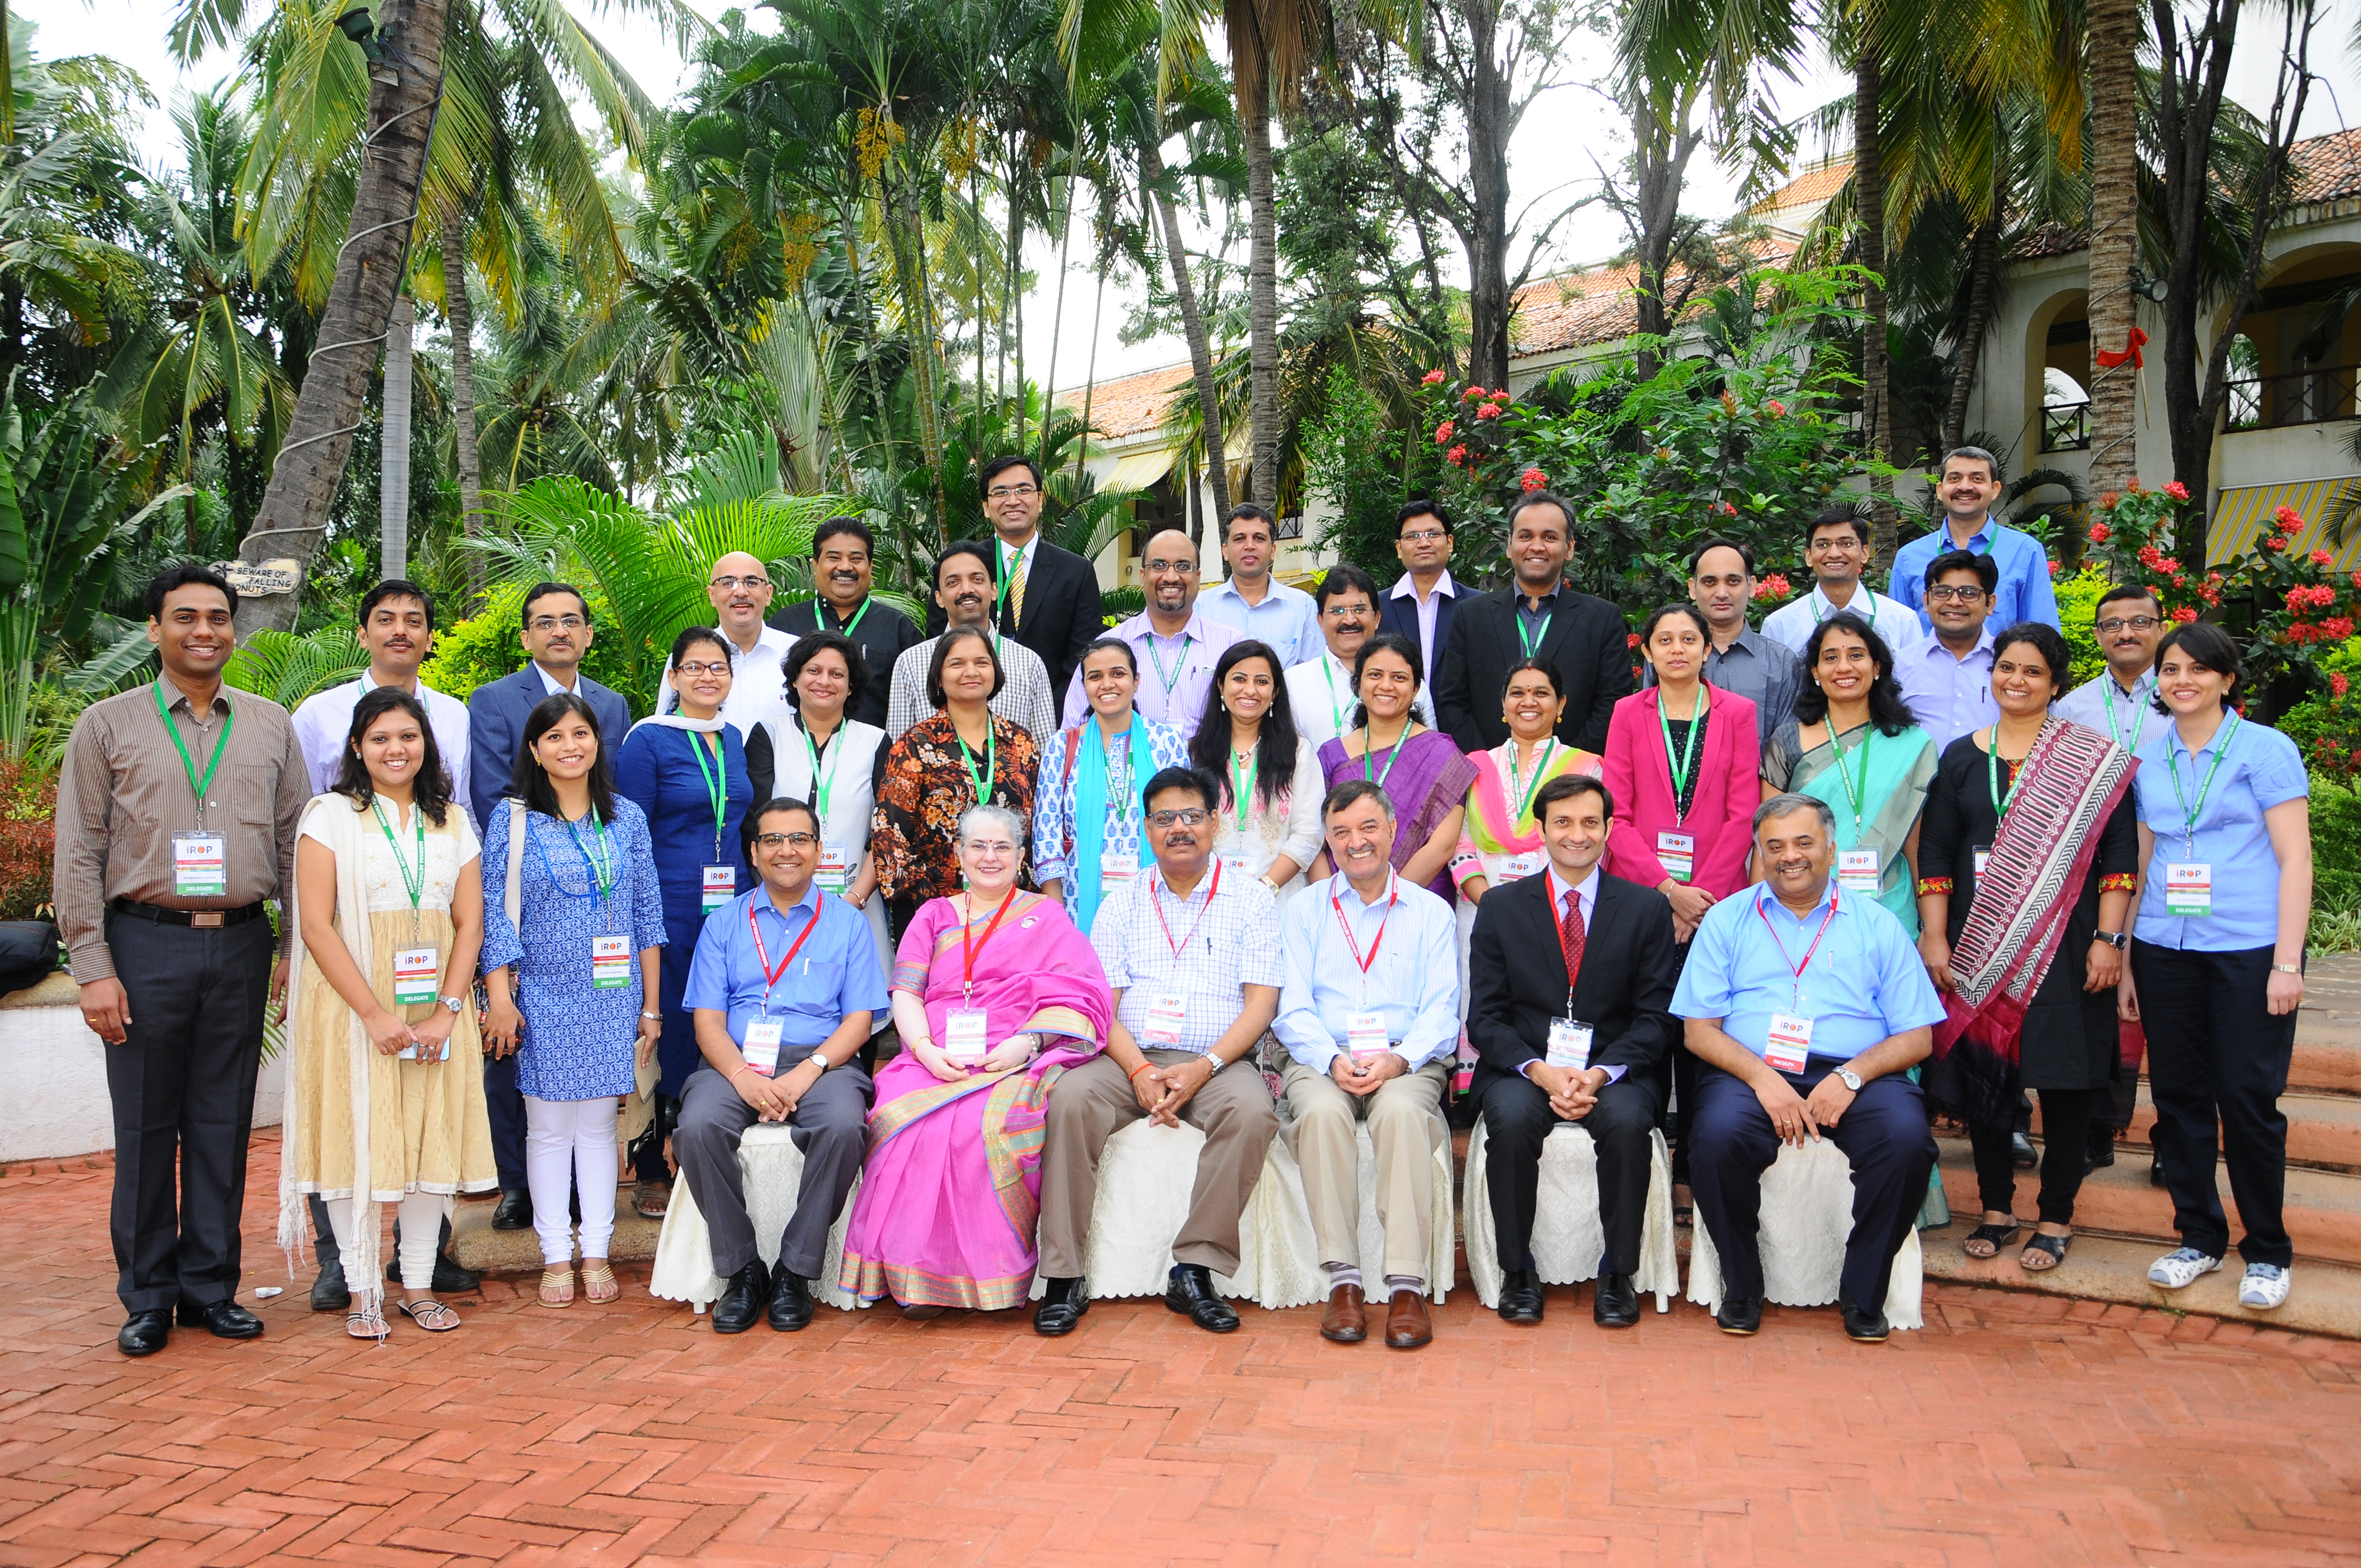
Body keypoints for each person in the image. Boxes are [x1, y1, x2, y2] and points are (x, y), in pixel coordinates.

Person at [56, 566, 308, 1357]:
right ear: (155, 629)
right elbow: (79, 851)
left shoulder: (270, 726)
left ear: (236, 630)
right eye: (186, 617)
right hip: (143, 943)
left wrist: (294, 949)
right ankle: (148, 1296)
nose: (205, 631)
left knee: (222, 1123)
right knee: (144, 1126)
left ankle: (210, 1287)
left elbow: (294, 843)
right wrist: (93, 965)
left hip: (240, 942)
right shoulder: (107, 725)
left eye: (219, 618)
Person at [1672, 794, 1946, 1341]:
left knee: (1905, 1140)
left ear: (1830, 849)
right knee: (1714, 1136)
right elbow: (1698, 1031)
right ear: (1759, 852)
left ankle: (1863, 1292)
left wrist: (1850, 1077)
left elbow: (1917, 1035)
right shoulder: (1726, 919)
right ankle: (1743, 1286)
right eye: (1774, 846)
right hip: (1750, 1070)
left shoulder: (1877, 924)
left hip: (1856, 1072)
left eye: (1803, 843)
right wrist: (1762, 1080)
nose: (1789, 857)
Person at [1916, 623, 2137, 1274]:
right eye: (2006, 667)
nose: (2016, 680)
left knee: (2065, 1083)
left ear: (2055, 682)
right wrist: (1934, 934)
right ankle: (1995, 1208)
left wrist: (2107, 938)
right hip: (1979, 940)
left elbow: (2118, 859)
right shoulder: (1960, 755)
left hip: (2068, 946)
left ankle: (2057, 1216)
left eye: (2032, 671)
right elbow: (1935, 855)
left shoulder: (2090, 759)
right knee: (1989, 1078)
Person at [1036, 767, 1284, 1336]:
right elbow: (1105, 1007)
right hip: (1129, 1058)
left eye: (1191, 816)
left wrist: (1204, 1068)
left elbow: (1260, 1006)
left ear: (1215, 823)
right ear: (1146, 829)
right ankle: (1063, 1275)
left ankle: (1194, 1267)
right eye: (1165, 818)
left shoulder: (1252, 900)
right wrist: (1140, 1068)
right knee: (1070, 1098)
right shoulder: (1120, 903)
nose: (1179, 828)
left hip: (1217, 1062)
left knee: (1252, 1114)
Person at [280, 688, 496, 1339]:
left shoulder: (452, 821)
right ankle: (361, 1289)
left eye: (407, 736)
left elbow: (470, 923)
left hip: (436, 1008)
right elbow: (317, 927)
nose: (395, 750)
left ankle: (420, 1283)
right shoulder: (328, 816)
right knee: (355, 1140)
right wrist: (373, 1013)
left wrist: (448, 1010)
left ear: (425, 744)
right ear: (356, 747)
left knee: (430, 1136)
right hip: (352, 1008)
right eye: (379, 739)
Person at [838, 803, 1112, 1313]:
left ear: (1022, 856)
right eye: (979, 846)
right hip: (933, 1052)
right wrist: (922, 1049)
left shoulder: (1045, 916)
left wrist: (1027, 1044)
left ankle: (989, 1274)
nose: (991, 857)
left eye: (1003, 847)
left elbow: (1078, 993)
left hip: (1014, 1054)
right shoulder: (934, 915)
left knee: (980, 1126)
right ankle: (914, 1273)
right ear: (959, 854)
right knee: (907, 1126)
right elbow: (906, 993)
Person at [2126, 623, 2313, 1311]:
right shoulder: (2149, 759)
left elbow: (2295, 858)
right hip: (2164, 949)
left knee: (2247, 1100)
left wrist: (2286, 963)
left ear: (2226, 679)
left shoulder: (2264, 750)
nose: (2183, 680)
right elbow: (2144, 861)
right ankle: (2198, 1237)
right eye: (2170, 669)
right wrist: (2122, 962)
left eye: (2199, 669)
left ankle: (2266, 1250)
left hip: (2247, 949)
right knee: (2177, 1100)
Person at [1467, 774, 1678, 1327]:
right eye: (1562, 822)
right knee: (1509, 1121)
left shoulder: (1644, 909)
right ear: (1541, 830)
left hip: (1615, 1068)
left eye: (1590, 822)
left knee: (1629, 1124)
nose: (1576, 834)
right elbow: (1485, 1018)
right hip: (1526, 1065)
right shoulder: (1501, 907)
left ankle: (1617, 1274)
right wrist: (1539, 1071)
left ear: (1608, 829)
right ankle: (1516, 1271)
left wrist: (1601, 1074)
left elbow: (1656, 1018)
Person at [479, 693, 666, 1310]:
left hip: (614, 997)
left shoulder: (628, 819)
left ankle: (596, 1252)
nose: (570, 746)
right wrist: (502, 999)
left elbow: (647, 917)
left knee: (597, 1129)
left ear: (596, 743)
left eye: (580, 733)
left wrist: (651, 1007)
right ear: (535, 749)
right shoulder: (513, 820)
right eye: (555, 736)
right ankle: (556, 1255)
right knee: (548, 1129)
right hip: (543, 995)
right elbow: (495, 920)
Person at [676, 798, 887, 1333]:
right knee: (697, 1127)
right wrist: (744, 1078)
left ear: (819, 851)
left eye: (798, 838)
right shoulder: (724, 923)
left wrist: (809, 1069)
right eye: (772, 839)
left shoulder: (847, 923)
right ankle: (742, 1269)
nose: (785, 850)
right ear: (754, 852)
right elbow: (707, 1024)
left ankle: (795, 1269)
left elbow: (860, 1021)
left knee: (842, 1127)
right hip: (735, 1063)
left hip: (824, 1063)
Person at [1273, 780, 1462, 1349]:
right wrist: (1330, 1058)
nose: (1356, 842)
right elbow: (1291, 1006)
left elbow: (1443, 1009)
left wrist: (1398, 1059)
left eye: (1368, 828)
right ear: (1328, 842)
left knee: (1402, 1115)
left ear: (1391, 831)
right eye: (1341, 832)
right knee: (1323, 1116)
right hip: (1320, 1054)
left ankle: (1407, 1284)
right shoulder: (1304, 908)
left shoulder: (1431, 911)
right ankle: (1344, 1281)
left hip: (1406, 1058)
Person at [1603, 603, 1761, 1218]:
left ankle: (1695, 1168)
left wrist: (1698, 901)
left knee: (1702, 1039)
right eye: (1664, 639)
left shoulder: (1737, 714)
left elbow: (1742, 812)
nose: (1676, 649)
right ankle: (1645, 1161)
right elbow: (1614, 815)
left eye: (1687, 639)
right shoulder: (1625, 713)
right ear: (1647, 651)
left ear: (1705, 649)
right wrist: (1667, 890)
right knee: (1645, 1031)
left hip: (1713, 903)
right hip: (1643, 900)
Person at [615, 629, 757, 1220]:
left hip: (731, 903)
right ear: (672, 677)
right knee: (666, 1019)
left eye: (717, 667)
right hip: (668, 904)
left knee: (727, 1014)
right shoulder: (646, 740)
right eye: (693, 667)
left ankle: (712, 1140)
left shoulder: (733, 738)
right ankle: (652, 1160)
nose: (706, 676)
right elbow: (629, 830)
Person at [2053, 582, 2168, 1174]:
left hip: (2172, 867)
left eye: (2139, 622)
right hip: (2094, 870)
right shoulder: (2070, 708)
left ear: (2158, 626)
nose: (2126, 632)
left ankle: (2171, 1138)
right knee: (2097, 998)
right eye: (2113, 624)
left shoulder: (2183, 698)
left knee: (2166, 1004)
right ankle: (2099, 1126)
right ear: (2097, 635)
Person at [1760, 612, 1938, 934]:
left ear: (1877, 667)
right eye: (1831, 658)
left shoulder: (1912, 745)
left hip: (1892, 911)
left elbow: (1917, 845)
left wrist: (1933, 930)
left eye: (1856, 655)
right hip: (1803, 910)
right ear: (1816, 671)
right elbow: (1766, 840)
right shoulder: (1787, 742)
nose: (1844, 667)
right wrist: (1761, 921)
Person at [1434, 489, 1633, 755]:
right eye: (1526, 536)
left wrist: (1568, 766)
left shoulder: (1602, 619)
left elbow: (1612, 703)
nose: (1537, 546)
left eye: (1549, 537)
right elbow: (1452, 702)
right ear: (1509, 546)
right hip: (1487, 777)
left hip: (1573, 782)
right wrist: (1490, 765)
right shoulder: (1471, 616)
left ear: (1569, 548)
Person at [746, 631, 894, 987]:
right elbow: (752, 824)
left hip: (855, 901)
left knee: (858, 1007)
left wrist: (854, 899)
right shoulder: (769, 734)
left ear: (852, 686)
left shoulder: (875, 741)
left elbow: (886, 831)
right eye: (813, 670)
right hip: (780, 902)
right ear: (795, 679)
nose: (824, 681)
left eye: (837, 674)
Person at [872, 627, 1043, 930]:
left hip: (1013, 910)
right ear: (939, 676)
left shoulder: (1020, 742)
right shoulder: (914, 745)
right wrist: (937, 904)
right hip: (937, 915)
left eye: (981, 662)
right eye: (957, 663)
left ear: (995, 671)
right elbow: (890, 837)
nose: (971, 672)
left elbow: (1038, 828)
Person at [1032, 638, 1190, 938]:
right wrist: (1058, 919)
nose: (1107, 684)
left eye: (1118, 674)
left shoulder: (1166, 743)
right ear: (1085, 686)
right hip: (1078, 905)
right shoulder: (1062, 747)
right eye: (1096, 677)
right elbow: (1046, 837)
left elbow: (1182, 825)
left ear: (1136, 681)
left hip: (1161, 899)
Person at [291, 579, 472, 821]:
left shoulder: (454, 714)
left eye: (413, 622)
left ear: (429, 640)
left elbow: (464, 806)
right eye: (386, 620)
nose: (400, 631)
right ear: (363, 635)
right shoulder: (317, 714)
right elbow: (301, 809)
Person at [1315, 634, 1476, 900]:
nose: (1386, 686)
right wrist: (1330, 900)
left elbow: (1442, 845)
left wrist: (1388, 899)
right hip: (1340, 900)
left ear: (1415, 689)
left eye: (1399, 678)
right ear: (1358, 684)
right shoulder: (1331, 754)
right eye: (1375, 675)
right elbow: (1315, 840)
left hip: (1418, 900)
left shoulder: (1441, 752)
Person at [939, 454, 1103, 713]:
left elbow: (1084, 656)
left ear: (1040, 500)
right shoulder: (960, 568)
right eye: (1001, 493)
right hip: (970, 713)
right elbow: (940, 641)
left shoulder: (1076, 571)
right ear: (986, 506)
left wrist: (1048, 707)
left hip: (1053, 714)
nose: (1013, 500)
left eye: (1023, 490)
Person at [465, 581, 633, 830]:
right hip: (528, 854)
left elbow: (620, 790)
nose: (560, 632)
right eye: (545, 624)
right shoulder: (493, 701)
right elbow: (492, 796)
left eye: (570, 622)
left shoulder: (612, 704)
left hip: (603, 852)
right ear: (526, 639)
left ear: (588, 635)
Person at [1453, 657, 1604, 923]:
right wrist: (1490, 904)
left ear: (1561, 704)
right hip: (1481, 912)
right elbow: (1459, 845)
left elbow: (1594, 846)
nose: (1529, 701)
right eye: (1518, 693)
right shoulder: (1475, 766)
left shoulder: (1585, 768)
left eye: (1541, 693)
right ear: (1504, 703)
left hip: (1556, 912)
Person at [1065, 527, 1238, 736]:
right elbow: (1074, 731)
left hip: (1205, 768)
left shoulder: (1230, 645)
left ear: (1198, 576)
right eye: (1159, 565)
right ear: (1142, 575)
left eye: (1183, 566)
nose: (1171, 576)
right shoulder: (1106, 648)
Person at [1189, 640, 1322, 901]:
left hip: (1280, 900)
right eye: (1239, 679)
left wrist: (1264, 889)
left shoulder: (1298, 753)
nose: (1250, 690)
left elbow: (1309, 834)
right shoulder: (1195, 753)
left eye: (1262, 681)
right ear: (1221, 686)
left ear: (1275, 693)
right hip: (1209, 900)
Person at [886, 541, 1059, 742]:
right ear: (939, 598)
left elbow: (1045, 750)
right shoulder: (911, 662)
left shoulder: (1028, 663)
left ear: (994, 590)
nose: (966, 589)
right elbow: (898, 750)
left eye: (977, 579)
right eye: (953, 583)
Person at [767, 516, 923, 730]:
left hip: (876, 758)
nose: (845, 567)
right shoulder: (783, 625)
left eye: (856, 559)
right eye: (834, 557)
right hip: (795, 756)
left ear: (870, 565)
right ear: (815, 564)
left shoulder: (898, 629)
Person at [1889, 445, 2061, 633]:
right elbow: (1896, 636)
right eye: (1955, 478)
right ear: (1940, 490)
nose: (1965, 487)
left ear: (1995, 490)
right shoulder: (1909, 557)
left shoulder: (2025, 551)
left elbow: (2043, 634)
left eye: (1977, 479)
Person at [1658, 537, 1802, 748]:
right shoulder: (1667, 657)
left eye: (1733, 581)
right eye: (1710, 582)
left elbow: (1787, 746)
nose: (1722, 593)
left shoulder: (1781, 663)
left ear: (1752, 586)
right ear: (1693, 588)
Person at [1286, 564, 1433, 747]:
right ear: (1321, 621)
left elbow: (1430, 749)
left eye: (1359, 610)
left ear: (1377, 618)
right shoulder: (1293, 683)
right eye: (1337, 611)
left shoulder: (1406, 683)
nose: (1349, 620)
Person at [654, 552, 794, 740]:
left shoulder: (798, 654)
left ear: (768, 594)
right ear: (712, 595)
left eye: (751, 583)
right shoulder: (687, 660)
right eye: (728, 583)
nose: (741, 592)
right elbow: (665, 726)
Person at [1762, 509, 1924, 657]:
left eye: (1846, 544)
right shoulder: (1779, 626)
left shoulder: (1902, 620)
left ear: (1865, 552)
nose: (1834, 554)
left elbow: (1916, 685)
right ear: (1809, 556)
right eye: (1823, 545)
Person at [1895, 550, 2001, 752]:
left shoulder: (2008, 666)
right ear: (1926, 601)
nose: (1954, 602)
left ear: (1990, 603)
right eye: (1943, 592)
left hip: (1993, 781)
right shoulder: (1899, 666)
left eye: (1969, 593)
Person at [1197, 504, 1321, 667]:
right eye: (1240, 538)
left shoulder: (1303, 607)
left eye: (1259, 538)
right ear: (1225, 551)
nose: (1250, 546)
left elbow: (1313, 671)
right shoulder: (1201, 608)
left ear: (1273, 551)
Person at [1377, 499, 1461, 688]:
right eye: (1413, 536)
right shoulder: (1378, 608)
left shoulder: (1477, 606)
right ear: (1399, 548)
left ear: (1449, 543)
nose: (1424, 543)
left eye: (1433, 534)